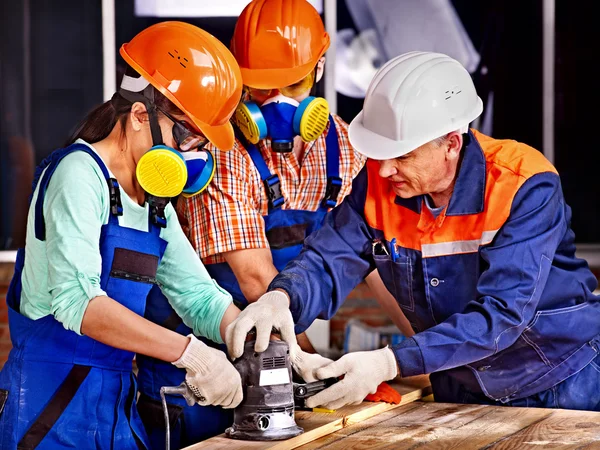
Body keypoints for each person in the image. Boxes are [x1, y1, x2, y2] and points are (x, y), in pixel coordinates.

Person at [225, 51, 600, 412]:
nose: (385, 170)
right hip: (460, 388)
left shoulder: (524, 185)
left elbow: (502, 314)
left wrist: (390, 362)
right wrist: (282, 299)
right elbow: (328, 258)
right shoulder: (380, 184)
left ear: (451, 144)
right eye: (379, 154)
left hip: (562, 382)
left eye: (402, 156)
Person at [137, 1, 412, 446]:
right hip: (199, 371)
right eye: (261, 89)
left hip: (278, 360)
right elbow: (257, 280)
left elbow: (376, 260)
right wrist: (315, 367)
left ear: (319, 68)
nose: (277, 103)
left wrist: (424, 352)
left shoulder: (343, 145)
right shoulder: (220, 151)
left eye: (291, 85)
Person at [0, 22, 246, 449]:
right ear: (138, 116)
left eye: (201, 142)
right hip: (47, 408)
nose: (192, 154)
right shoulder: (78, 175)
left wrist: (262, 340)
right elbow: (80, 304)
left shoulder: (153, 202)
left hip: (113, 407)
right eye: (186, 135)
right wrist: (189, 353)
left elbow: (199, 296)